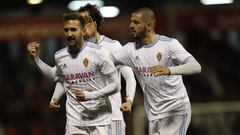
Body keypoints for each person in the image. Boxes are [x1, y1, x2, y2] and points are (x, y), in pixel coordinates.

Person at [27, 4, 136, 135]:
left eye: (85, 19)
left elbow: (129, 76)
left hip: (111, 115)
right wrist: (55, 98)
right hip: (81, 119)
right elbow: (63, 78)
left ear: (93, 23)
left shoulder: (112, 46)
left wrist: (129, 100)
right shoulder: (72, 53)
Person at [110, 7, 201, 135]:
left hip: (175, 111)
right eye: (131, 21)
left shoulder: (169, 44)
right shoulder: (130, 50)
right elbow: (105, 62)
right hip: (154, 114)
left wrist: (169, 70)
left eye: (136, 22)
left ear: (149, 26)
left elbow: (196, 67)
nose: (130, 25)